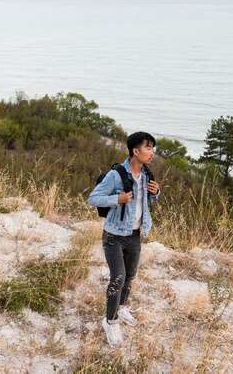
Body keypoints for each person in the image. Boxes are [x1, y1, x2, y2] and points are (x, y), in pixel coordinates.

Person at [88, 131, 161, 347]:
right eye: (148, 148)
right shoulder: (116, 175)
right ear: (135, 151)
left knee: (129, 276)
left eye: (152, 148)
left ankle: (122, 306)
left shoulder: (147, 174)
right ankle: (110, 321)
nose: (151, 152)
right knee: (118, 277)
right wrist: (116, 198)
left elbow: (146, 201)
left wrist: (156, 193)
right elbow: (93, 198)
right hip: (114, 235)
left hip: (135, 234)